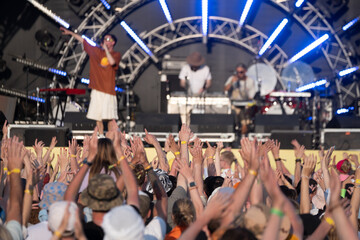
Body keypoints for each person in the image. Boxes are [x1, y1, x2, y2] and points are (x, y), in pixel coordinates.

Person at [60, 27, 121, 137]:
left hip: (108, 90)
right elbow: (83, 40)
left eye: (109, 39)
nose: (107, 41)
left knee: (110, 117)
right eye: (105, 39)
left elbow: (111, 62)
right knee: (98, 117)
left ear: (114, 42)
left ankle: (115, 137)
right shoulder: (96, 52)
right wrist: (70, 33)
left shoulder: (116, 55)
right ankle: (101, 136)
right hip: (97, 89)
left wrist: (106, 49)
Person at [224, 63, 256, 136]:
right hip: (234, 104)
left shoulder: (250, 81)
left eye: (241, 72)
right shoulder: (232, 79)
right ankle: (243, 126)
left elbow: (251, 97)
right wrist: (232, 82)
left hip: (246, 104)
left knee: (247, 108)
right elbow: (225, 89)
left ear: (245, 71)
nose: (239, 74)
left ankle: (244, 128)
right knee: (237, 110)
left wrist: (248, 104)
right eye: (237, 72)